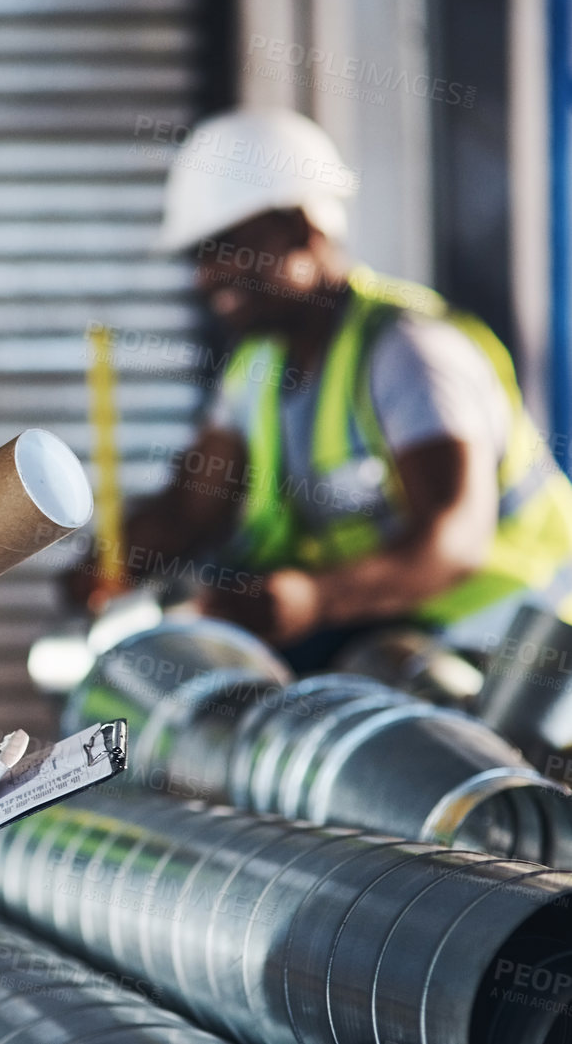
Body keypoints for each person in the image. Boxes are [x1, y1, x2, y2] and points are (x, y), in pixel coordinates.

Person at [70, 107, 572, 671]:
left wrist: (313, 598)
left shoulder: (409, 352)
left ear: (302, 227)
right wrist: (113, 562)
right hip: (394, 644)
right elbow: (191, 510)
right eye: (198, 256)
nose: (206, 276)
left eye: (226, 245)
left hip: (513, 655)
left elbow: (450, 543)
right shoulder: (255, 366)